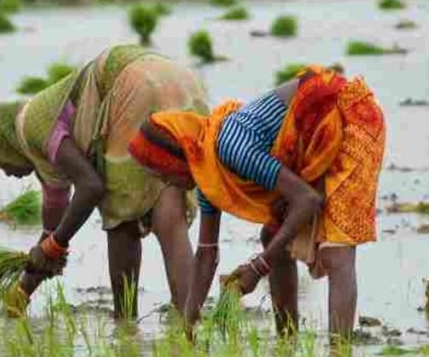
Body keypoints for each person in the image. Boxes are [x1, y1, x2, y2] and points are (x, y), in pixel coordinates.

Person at [128, 65, 385, 339]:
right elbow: (206, 255)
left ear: (175, 157)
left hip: (348, 120)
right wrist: (188, 326)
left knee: (337, 252)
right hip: (311, 144)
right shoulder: (207, 172)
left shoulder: (229, 145)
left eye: (163, 172)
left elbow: (306, 200)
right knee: (273, 236)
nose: (168, 182)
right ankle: (287, 340)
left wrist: (258, 268)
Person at [0, 45, 208, 319]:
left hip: (133, 85)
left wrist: (55, 245)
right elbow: (54, 232)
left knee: (121, 218)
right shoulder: (48, 161)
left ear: (3, 143)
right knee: (170, 219)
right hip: (178, 79)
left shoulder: (32, 124)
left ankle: (125, 325)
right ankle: (192, 326)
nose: (7, 172)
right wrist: (22, 292)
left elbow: (91, 186)